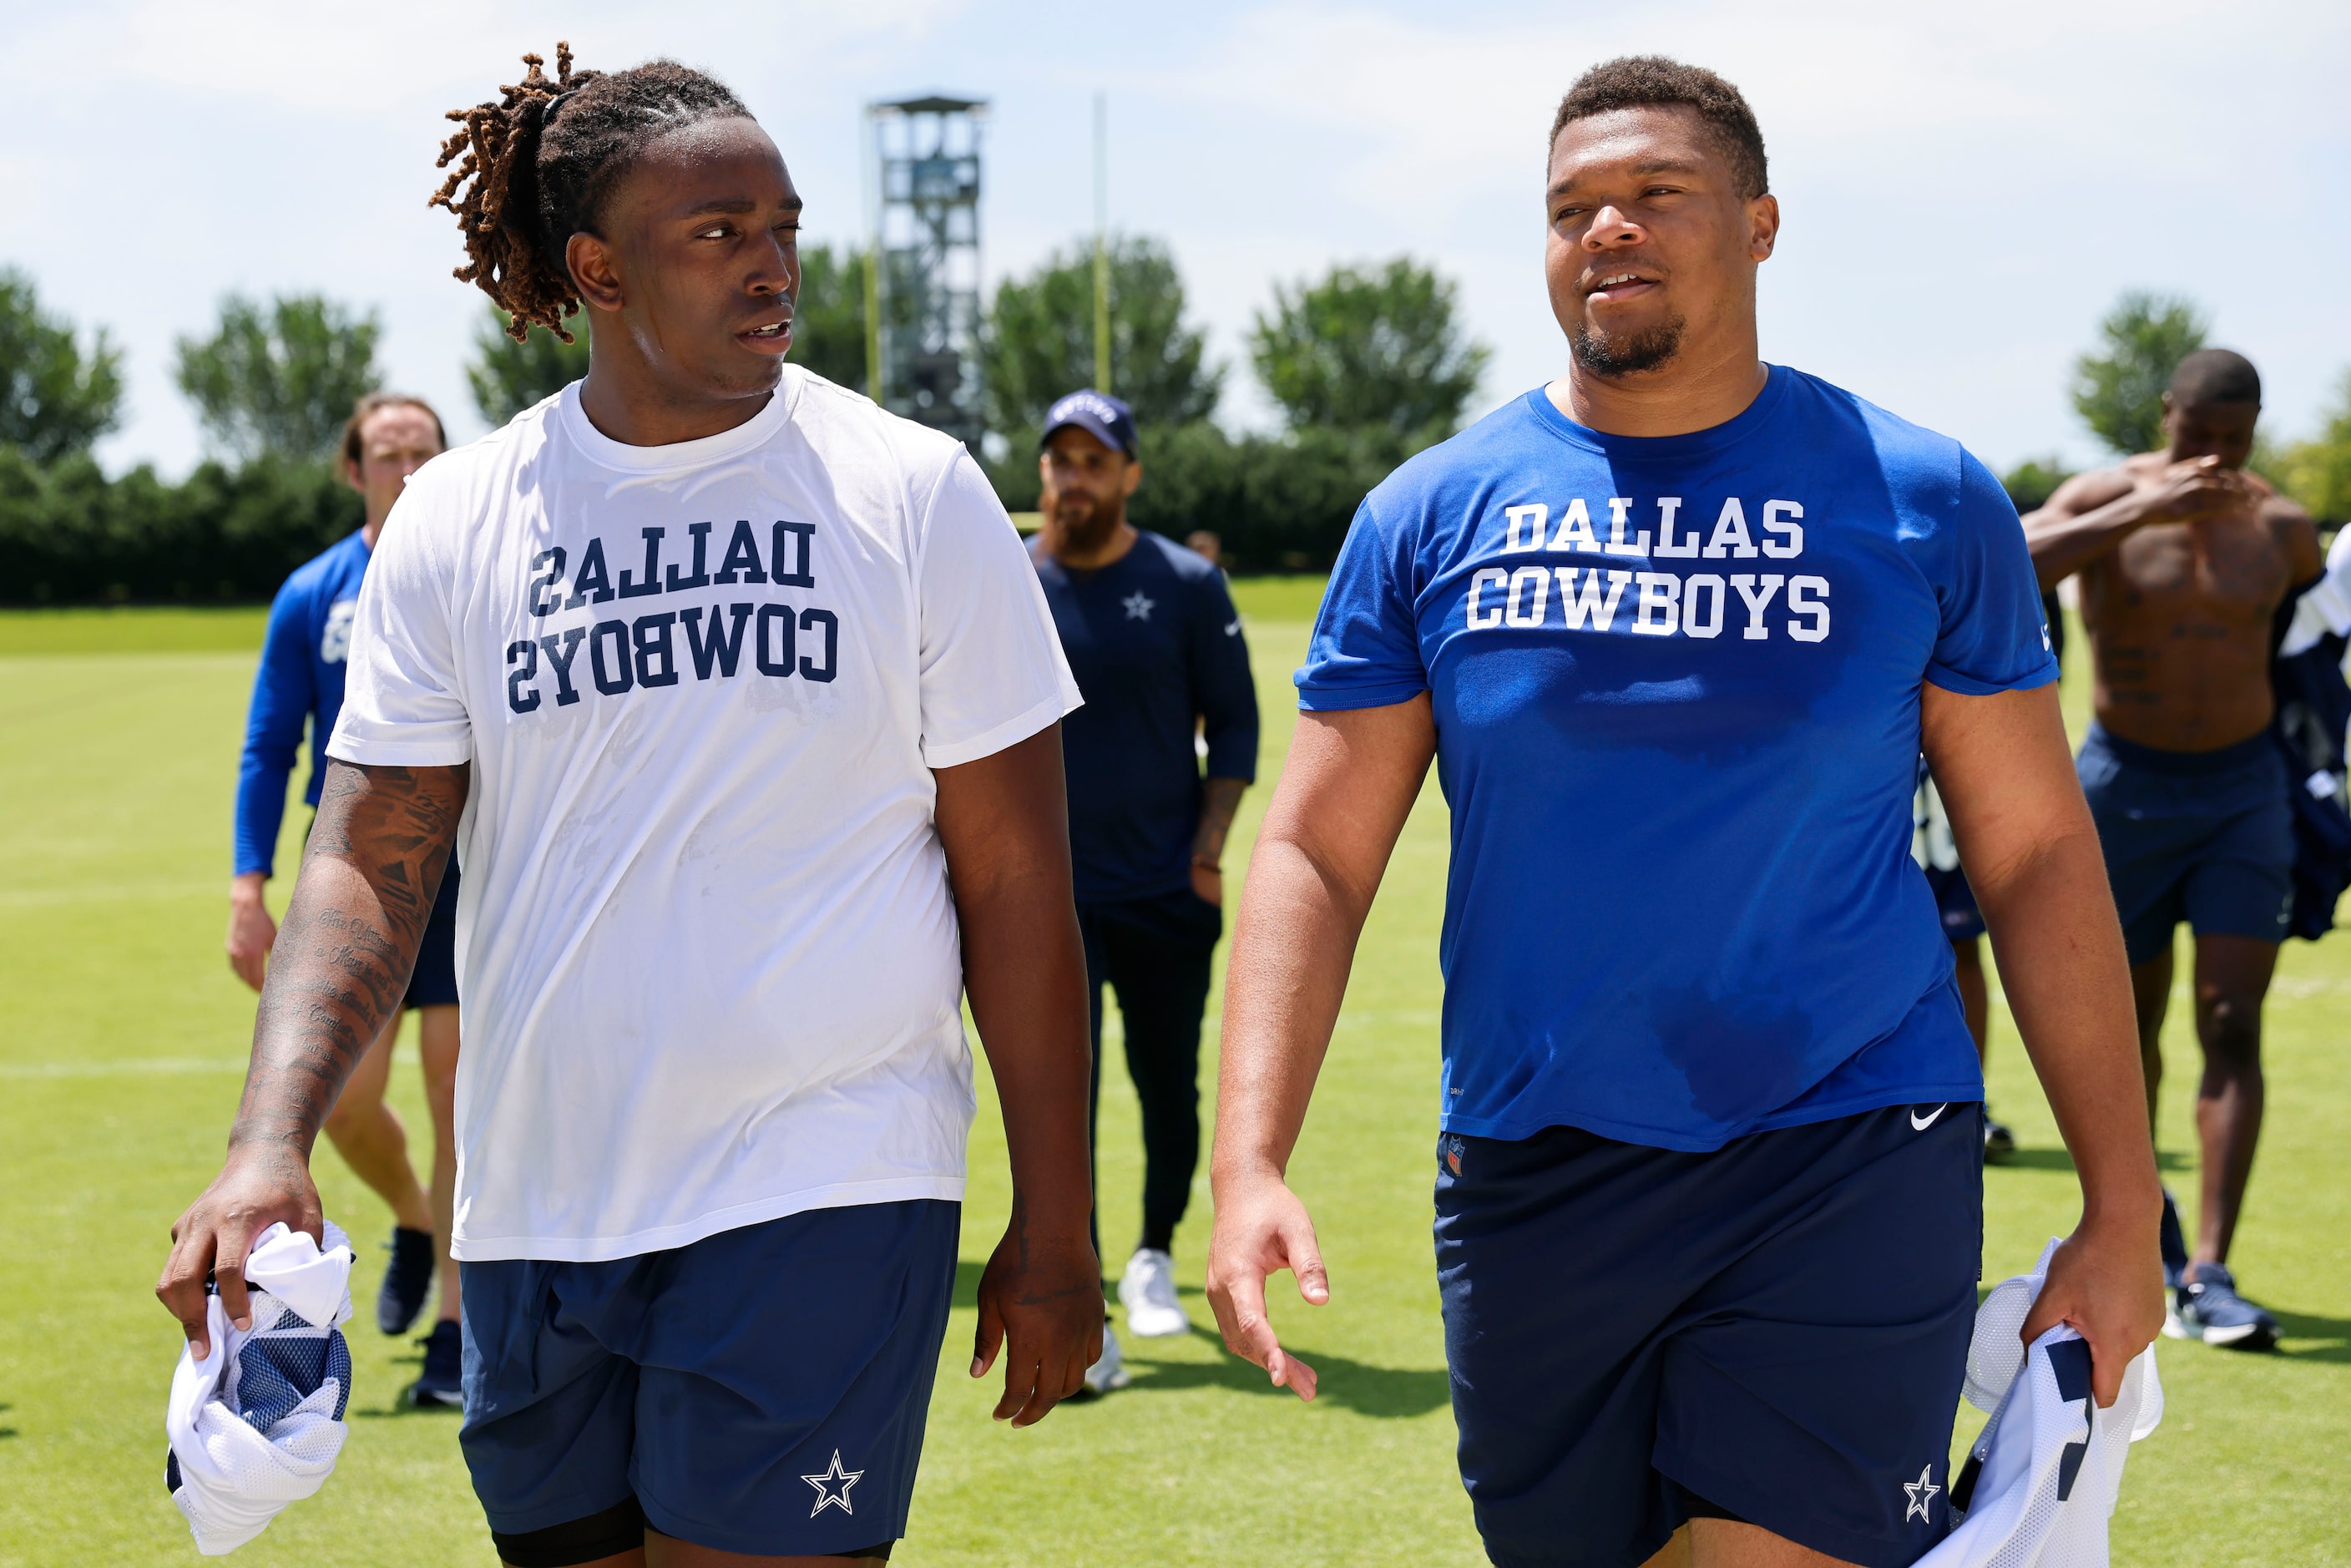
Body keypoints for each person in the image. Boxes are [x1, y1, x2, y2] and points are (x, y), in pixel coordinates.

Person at [1204, 56, 2164, 1568]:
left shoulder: (1922, 497)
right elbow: (1318, 849)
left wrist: (2124, 1206)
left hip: (1846, 1137)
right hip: (1533, 1162)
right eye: (1572, 207)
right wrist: (1247, 1156)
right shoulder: (1430, 514)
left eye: (1656, 194)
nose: (1609, 230)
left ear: (1761, 223)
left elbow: (2036, 852)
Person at [160, 47, 1099, 1567]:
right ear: (595, 266)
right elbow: (371, 853)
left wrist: (1057, 1219)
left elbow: (1015, 886)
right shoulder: (462, 514)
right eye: (719, 233)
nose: (774, 266)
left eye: (783, 225)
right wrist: (271, 1140)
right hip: (535, 1204)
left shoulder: (912, 491)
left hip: (828, 1180)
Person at [2024, 349, 2322, 1351]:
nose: (2213, 460)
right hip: (2122, 789)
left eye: (2232, 443)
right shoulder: (2105, 497)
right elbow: (2010, 559)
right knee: (2127, 1028)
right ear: (2167, 419)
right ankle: (2138, 1239)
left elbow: (2318, 652)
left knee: (2231, 1019)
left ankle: (2209, 1268)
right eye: (2197, 438)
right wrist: (2133, 517)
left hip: (2243, 792)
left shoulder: (2279, 527)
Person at [229, 391, 468, 1404]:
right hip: (362, 879)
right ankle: (412, 1217)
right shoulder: (311, 593)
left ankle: (457, 1336)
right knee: (345, 1103)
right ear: (354, 468)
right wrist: (250, 884)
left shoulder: (477, 572)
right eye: (385, 453)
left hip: (466, 870)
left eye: (423, 451)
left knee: (461, 1103)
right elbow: (269, 746)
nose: (405, 469)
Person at [1027, 391, 1258, 1389]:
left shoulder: (1186, 582)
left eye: (1093, 461)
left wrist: (1206, 855)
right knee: (1056, 1101)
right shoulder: (1005, 580)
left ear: (1128, 474)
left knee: (1167, 1086)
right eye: (1058, 461)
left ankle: (1153, 1256)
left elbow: (1237, 727)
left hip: (1165, 889)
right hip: (1043, 901)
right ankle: (1082, 1306)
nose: (1072, 479)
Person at [1911, 769, 2015, 1161]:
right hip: (1870, 751)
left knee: (1961, 942)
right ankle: (1870, 1107)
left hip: (1942, 766)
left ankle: (1969, 1106)